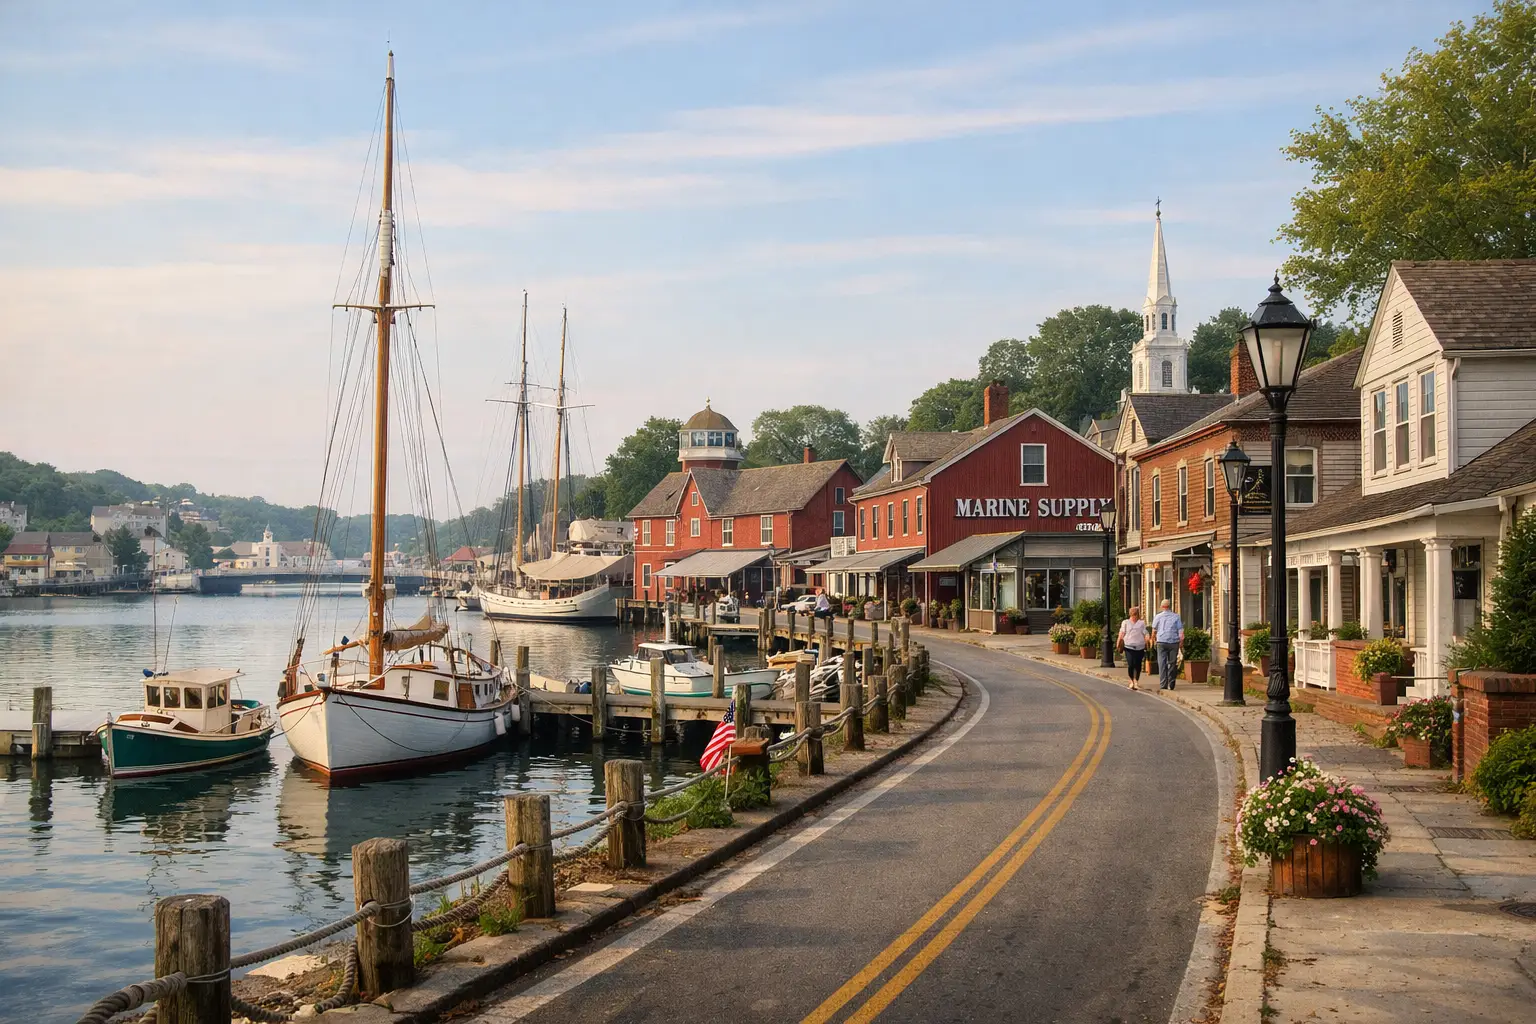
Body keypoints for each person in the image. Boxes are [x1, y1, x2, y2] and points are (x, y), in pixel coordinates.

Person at [1151, 598, 1185, 691]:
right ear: (1169, 606)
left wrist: (1152, 640)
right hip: (1174, 642)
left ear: (1162, 607)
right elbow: (1180, 630)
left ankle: (1163, 684)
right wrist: (1181, 641)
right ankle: (1172, 682)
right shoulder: (1176, 616)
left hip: (1161, 641)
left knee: (1162, 663)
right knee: (1172, 663)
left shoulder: (1158, 616)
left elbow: (1154, 630)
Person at [1117, 606, 1149, 690]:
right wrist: (1118, 642)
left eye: (1135, 614)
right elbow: (1122, 633)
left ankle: (1136, 681)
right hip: (1128, 646)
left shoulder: (1141, 623)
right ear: (1130, 615)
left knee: (1138, 665)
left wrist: (1147, 638)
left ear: (1137, 615)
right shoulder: (1125, 622)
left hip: (1140, 646)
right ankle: (1131, 680)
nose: (1134, 616)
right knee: (1131, 664)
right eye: (1133, 614)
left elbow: (1145, 632)